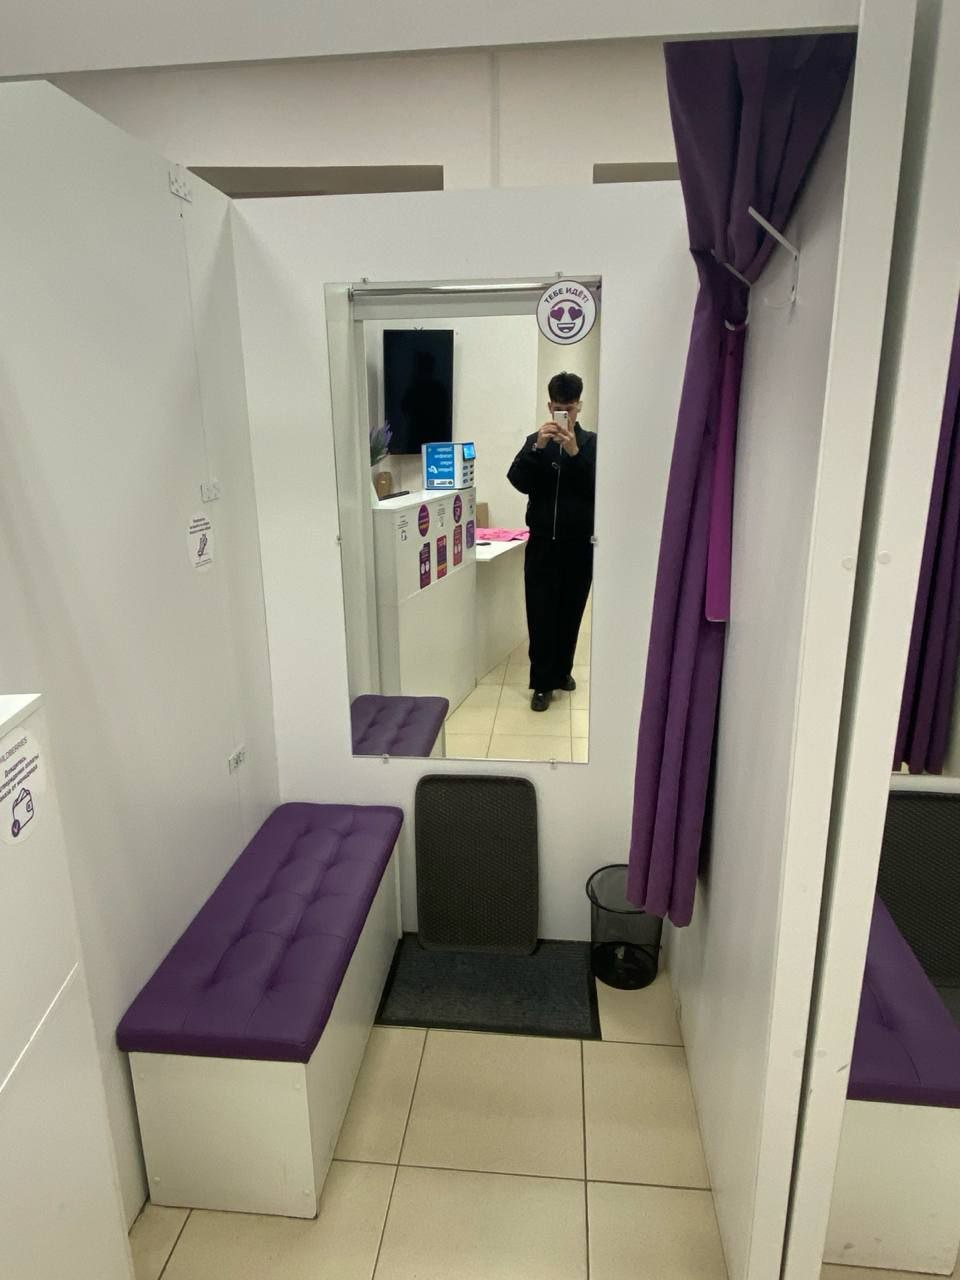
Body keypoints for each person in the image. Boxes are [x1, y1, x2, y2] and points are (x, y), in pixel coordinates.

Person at [507, 371, 597, 711]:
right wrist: (538, 447)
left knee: (571, 612)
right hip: (542, 544)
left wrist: (574, 452)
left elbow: (598, 487)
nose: (565, 415)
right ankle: (542, 684)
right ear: (549, 407)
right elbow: (518, 480)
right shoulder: (536, 441)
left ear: (579, 407)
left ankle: (563, 671)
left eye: (570, 408)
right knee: (541, 613)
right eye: (559, 408)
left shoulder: (591, 443)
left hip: (579, 545)